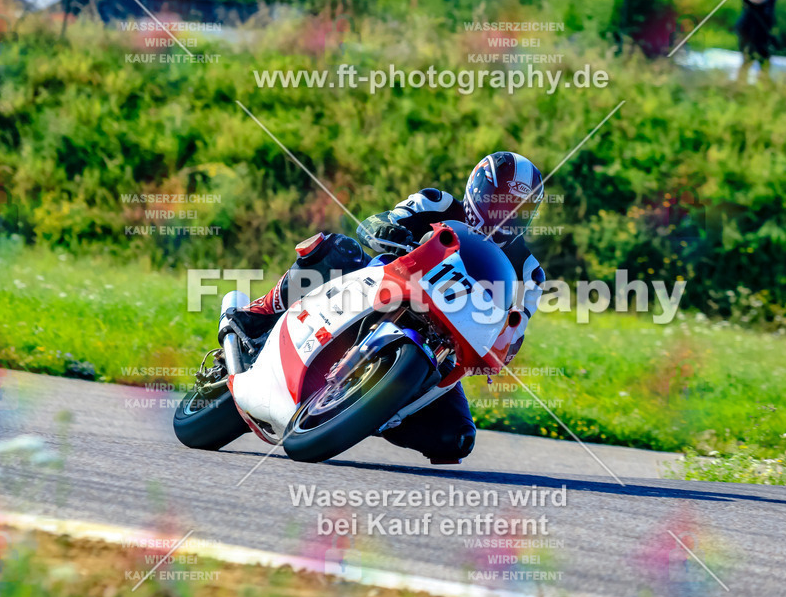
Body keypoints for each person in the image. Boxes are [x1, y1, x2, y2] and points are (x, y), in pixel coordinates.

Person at [228, 152, 547, 463]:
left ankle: (374, 409)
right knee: (339, 250)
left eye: (519, 209)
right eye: (500, 201)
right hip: (381, 284)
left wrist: (504, 345)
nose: (507, 215)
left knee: (455, 438)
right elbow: (378, 222)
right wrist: (389, 230)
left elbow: (514, 330)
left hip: (444, 343)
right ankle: (259, 313)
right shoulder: (437, 203)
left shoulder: (529, 272)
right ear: (477, 191)